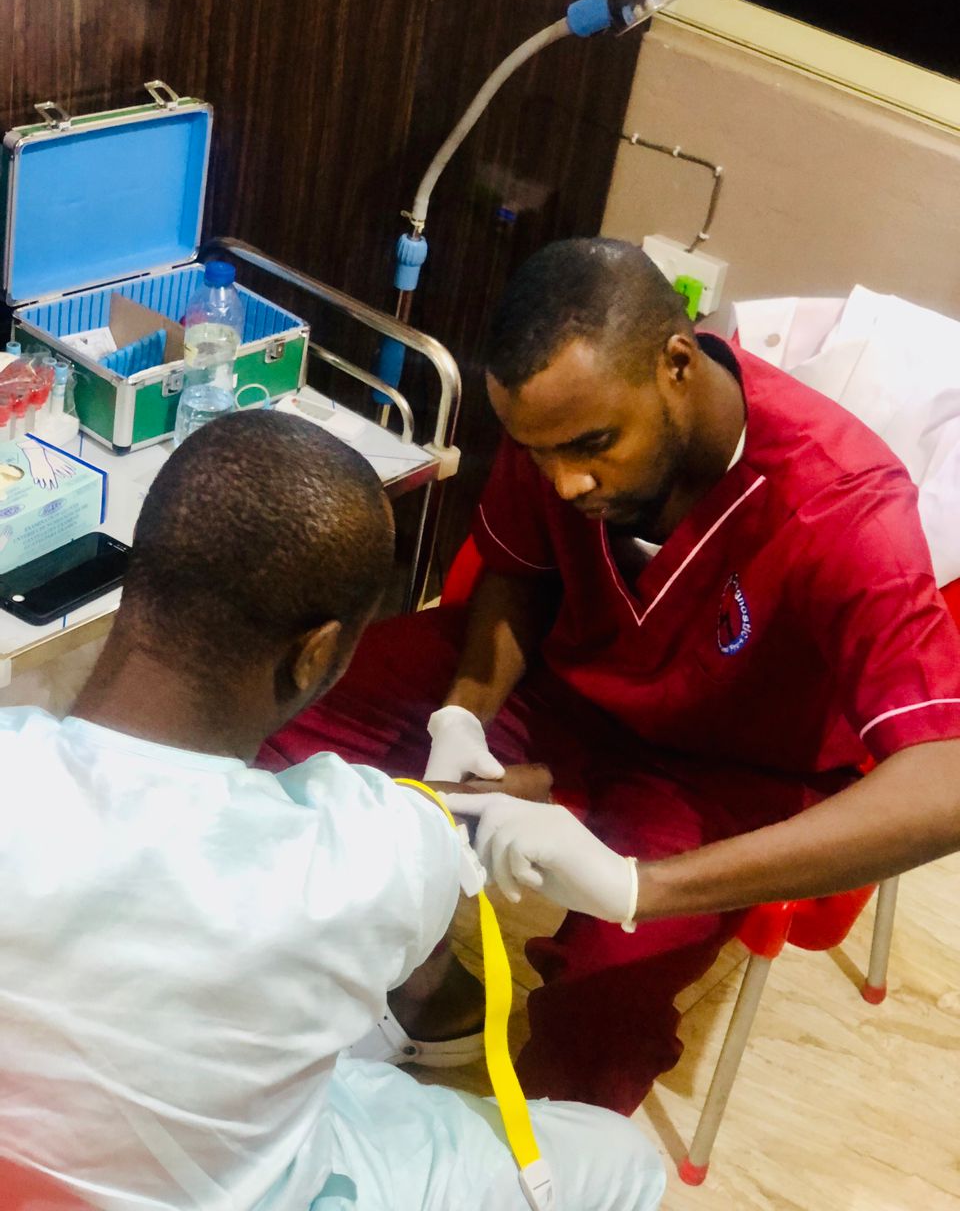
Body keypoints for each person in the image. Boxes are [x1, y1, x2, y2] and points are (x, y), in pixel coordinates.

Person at [260, 238, 960, 1115]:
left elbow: (945, 780)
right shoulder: (559, 424)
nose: (566, 482)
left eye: (592, 446)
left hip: (732, 767)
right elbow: (518, 569)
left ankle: (554, 1147)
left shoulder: (841, 507)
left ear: (677, 365)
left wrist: (640, 888)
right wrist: (465, 714)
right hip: (567, 685)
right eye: (538, 454)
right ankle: (423, 986)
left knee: (605, 1003)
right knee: (291, 713)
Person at [0, 411, 666, 1210]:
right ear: (315, 653)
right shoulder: (358, 862)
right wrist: (525, 815)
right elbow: (430, 831)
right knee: (624, 1160)